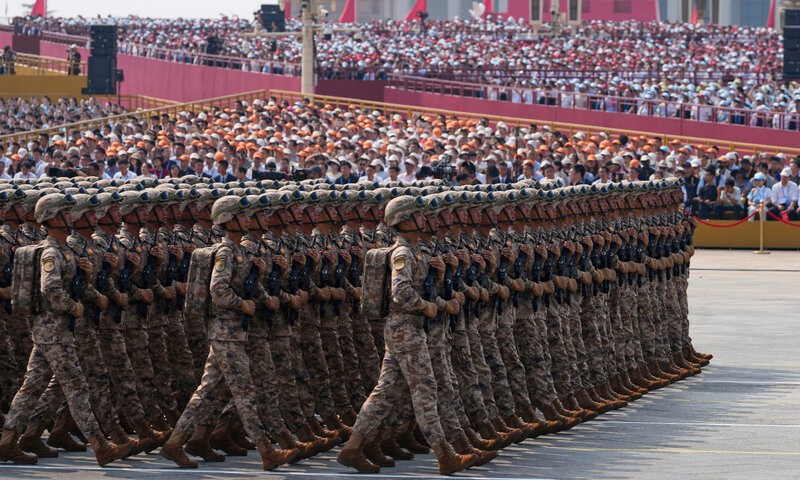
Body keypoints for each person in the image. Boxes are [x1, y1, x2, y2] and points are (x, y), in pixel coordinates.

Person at [337, 195, 475, 475]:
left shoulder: (415, 251)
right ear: (404, 220)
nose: (424, 220)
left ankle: (352, 447)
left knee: (385, 392)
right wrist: (428, 307)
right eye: (418, 215)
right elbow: (401, 292)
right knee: (425, 389)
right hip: (406, 329)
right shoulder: (402, 253)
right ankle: (444, 455)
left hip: (406, 329)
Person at [160, 195, 299, 471]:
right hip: (225, 331)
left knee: (208, 391)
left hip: (234, 332)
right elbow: (219, 291)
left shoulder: (239, 251)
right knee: (245, 391)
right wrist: (243, 305)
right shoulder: (225, 252)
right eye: (242, 215)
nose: (248, 219)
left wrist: (260, 296)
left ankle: (175, 443)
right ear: (227, 220)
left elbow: (246, 283)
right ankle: (266, 451)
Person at [0, 193, 135, 467]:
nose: (71, 217)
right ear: (52, 218)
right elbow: (50, 288)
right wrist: (73, 307)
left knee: (32, 386)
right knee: (76, 386)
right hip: (54, 329)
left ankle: (7, 441)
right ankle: (101, 445)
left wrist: (85, 283)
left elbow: (69, 282)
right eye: (65, 212)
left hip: (53, 330)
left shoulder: (64, 250)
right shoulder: (51, 251)